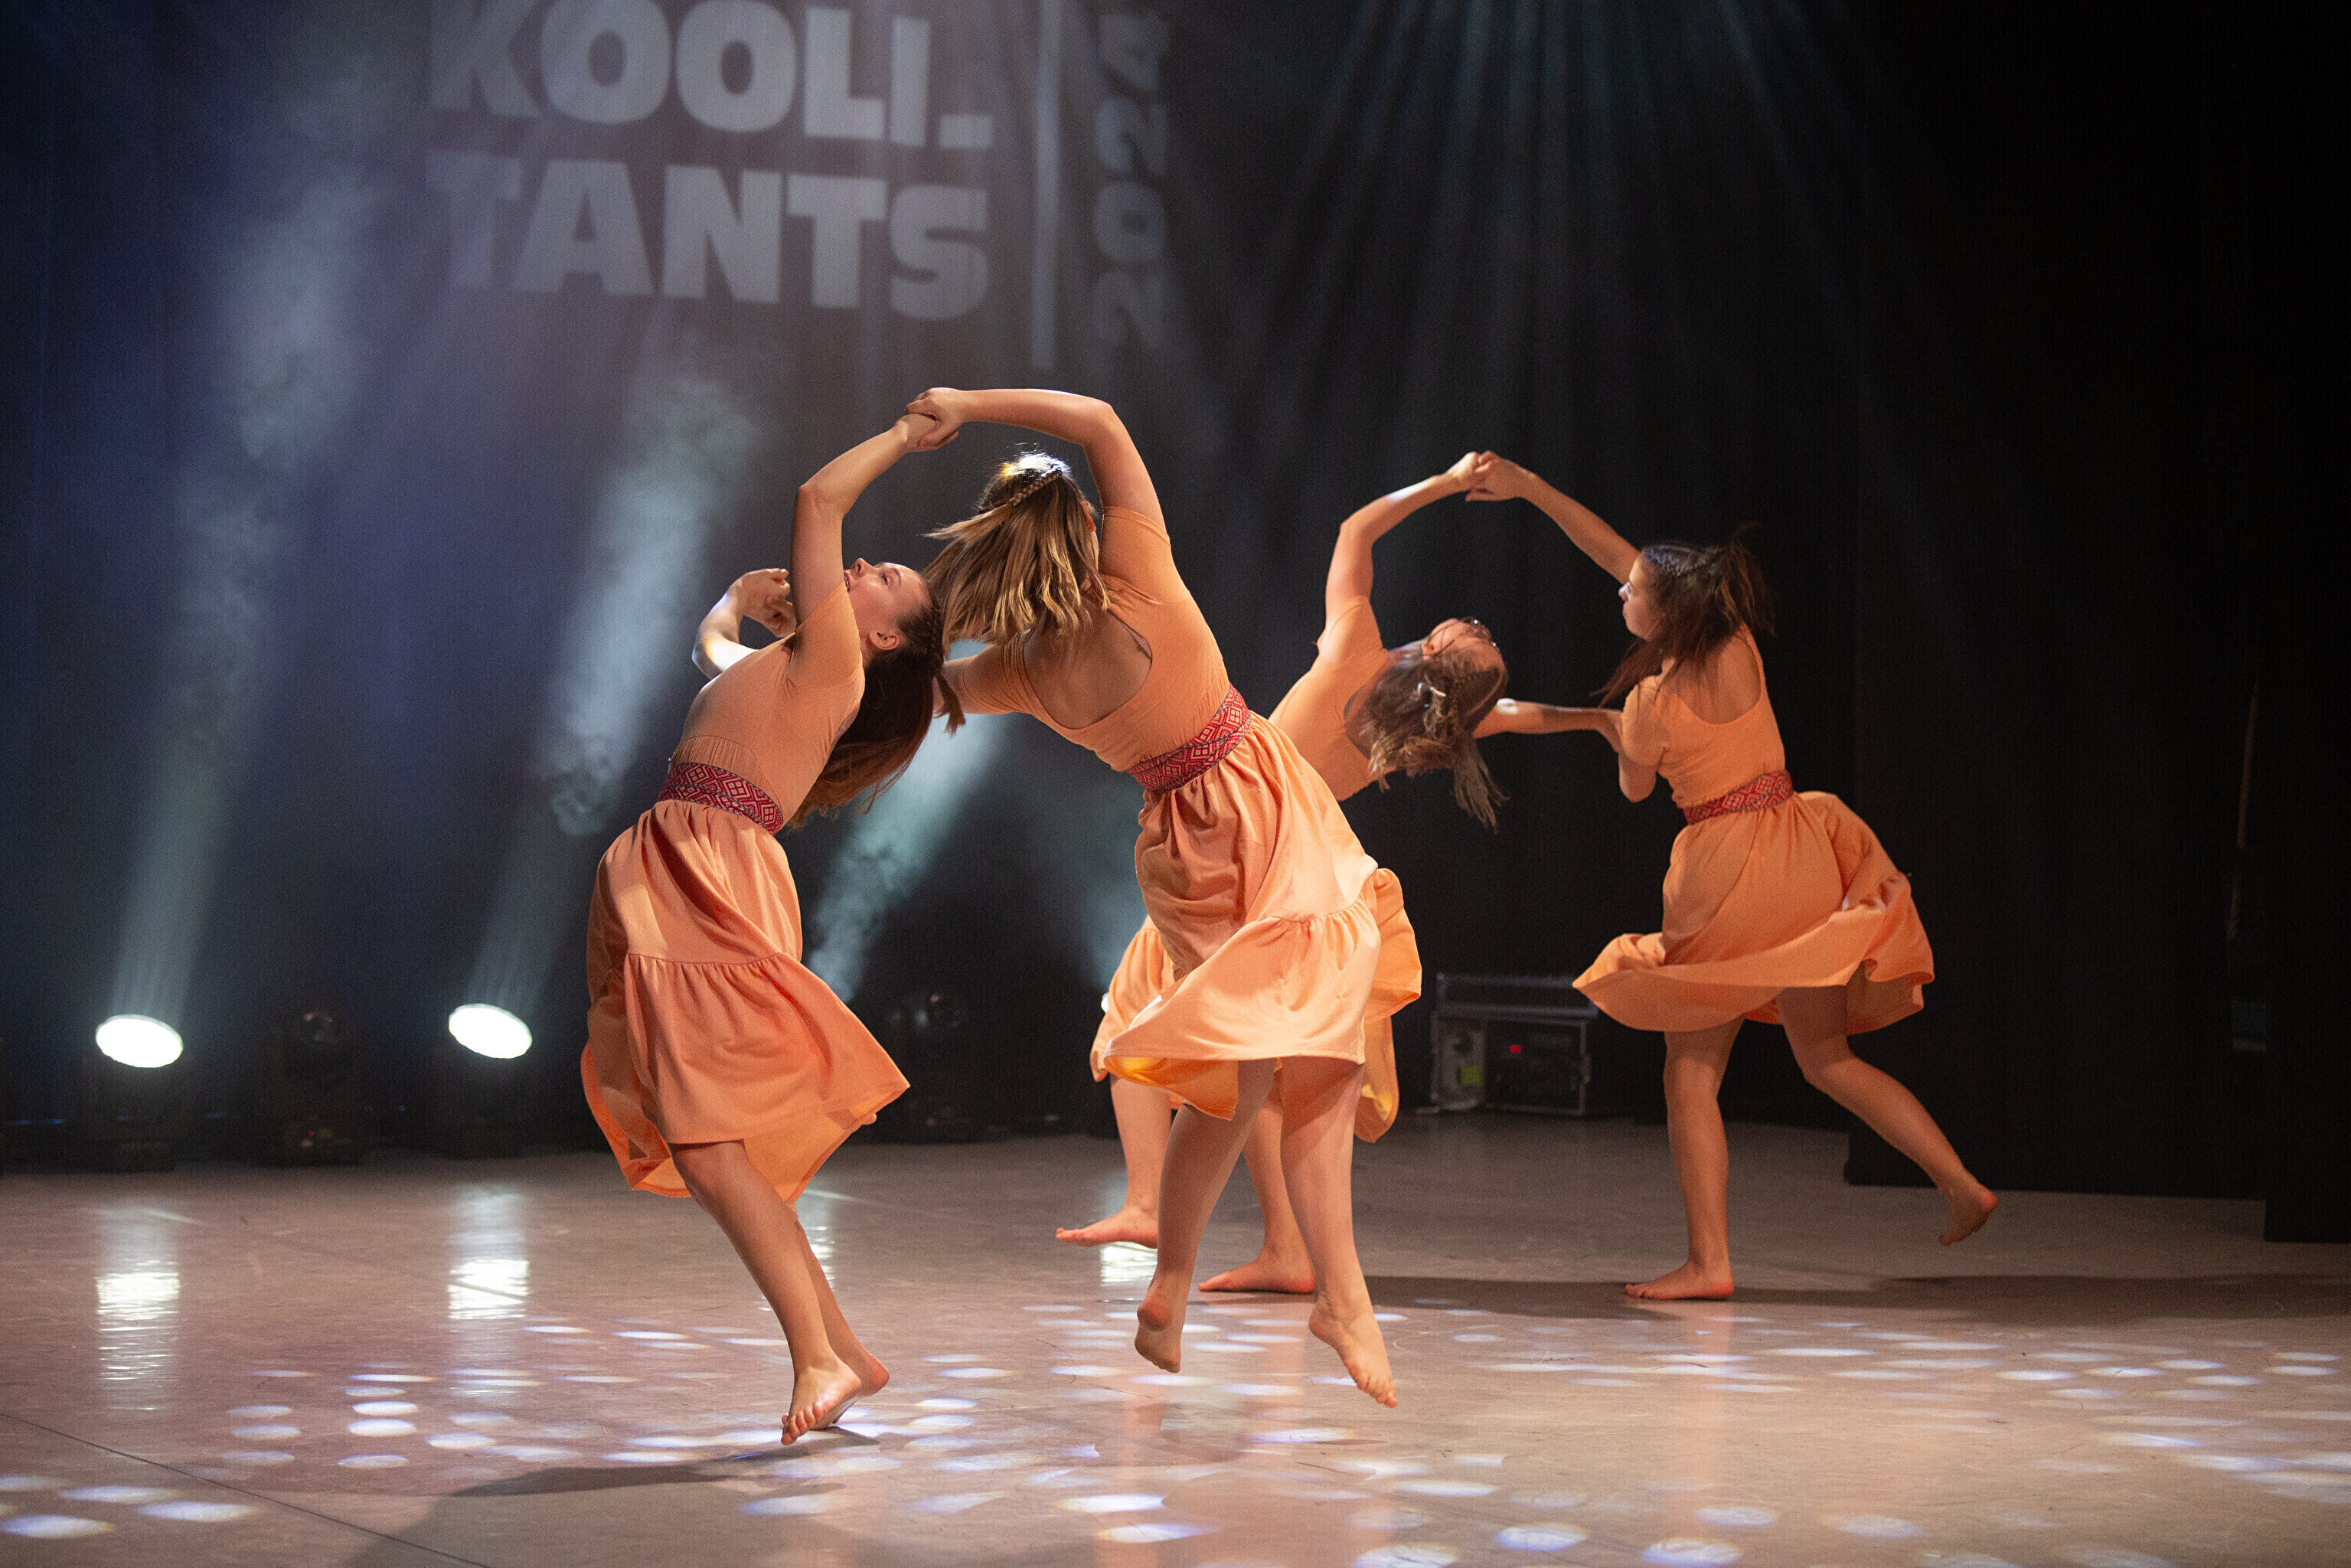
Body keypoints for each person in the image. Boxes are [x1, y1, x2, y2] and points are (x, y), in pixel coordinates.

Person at [913, 387, 1404, 1405]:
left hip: (1179, 848)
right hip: (1260, 808)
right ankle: (1338, 1297)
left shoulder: (1022, 668)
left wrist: (772, 648)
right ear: (1084, 527)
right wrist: (965, 403)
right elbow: (1099, 419)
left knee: (1240, 1078)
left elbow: (917, 693)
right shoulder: (1136, 575)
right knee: (1318, 1052)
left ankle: (1175, 1286)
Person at [1059, 452, 1620, 1294]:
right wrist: (1596, 721)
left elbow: (1356, 529)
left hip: (1241, 841)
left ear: (1436, 648)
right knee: (1254, 1058)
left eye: (1479, 632)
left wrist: (1443, 484)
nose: (1474, 621)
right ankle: (1274, 1244)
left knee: (1141, 1021)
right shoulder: (1425, 729)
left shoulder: (1358, 648)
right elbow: (1512, 717)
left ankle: (1161, 1206)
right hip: (1301, 872)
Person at [1468, 455, 1994, 1300]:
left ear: (1664, 611)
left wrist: (1601, 724)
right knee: (1826, 1057)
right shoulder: (1734, 641)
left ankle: (1708, 1261)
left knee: (1690, 1070)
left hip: (1725, 872)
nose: (1620, 591)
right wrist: (1529, 488)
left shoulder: (1651, 702)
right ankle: (1961, 1183)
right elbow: (1620, 558)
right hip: (1799, 847)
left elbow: (1635, 786)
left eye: (1633, 592)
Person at [581, 413, 959, 1440]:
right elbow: (710, 651)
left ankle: (816, 1358)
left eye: (885, 578)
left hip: (712, 870)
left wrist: (903, 434)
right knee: (718, 1143)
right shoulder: (788, 661)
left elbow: (817, 500)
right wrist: (736, 601)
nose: (866, 566)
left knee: (706, 1142)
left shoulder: (836, 662)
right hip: (678, 860)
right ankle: (847, 1351)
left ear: (882, 636)